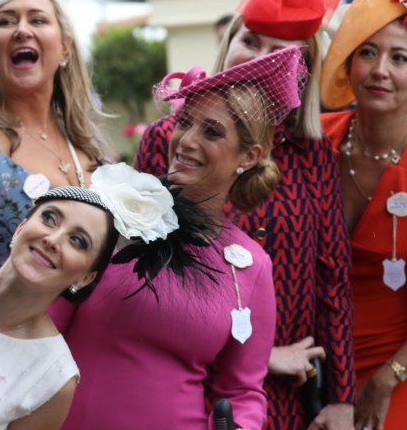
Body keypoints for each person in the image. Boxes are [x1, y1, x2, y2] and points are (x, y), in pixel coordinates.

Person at [134, 0, 360, 429]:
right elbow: (141, 265)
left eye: (281, 52)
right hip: (184, 378)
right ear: (227, 43)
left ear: (304, 70)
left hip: (287, 398)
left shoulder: (314, 157)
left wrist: (342, 398)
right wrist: (261, 353)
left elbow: (334, 283)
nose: (260, 61)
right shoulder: (169, 139)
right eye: (250, 41)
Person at [53, 46, 307, 429]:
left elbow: (241, 391)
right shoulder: (110, 218)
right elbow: (41, 325)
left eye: (211, 131)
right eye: (184, 122)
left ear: (250, 156)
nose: (186, 140)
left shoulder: (251, 267)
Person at [0, 162, 209, 429]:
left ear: (86, 277)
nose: (53, 239)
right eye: (49, 218)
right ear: (21, 226)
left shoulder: (53, 378)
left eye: (78, 241)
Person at [0, 0, 112, 271]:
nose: (21, 30)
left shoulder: (91, 147)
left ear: (64, 46)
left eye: (38, 20)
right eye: (5, 21)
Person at [320, 0, 407, 430]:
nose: (381, 70)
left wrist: (388, 377)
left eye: (399, 57)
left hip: (403, 368)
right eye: (368, 53)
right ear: (349, 65)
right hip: (316, 369)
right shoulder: (314, 143)